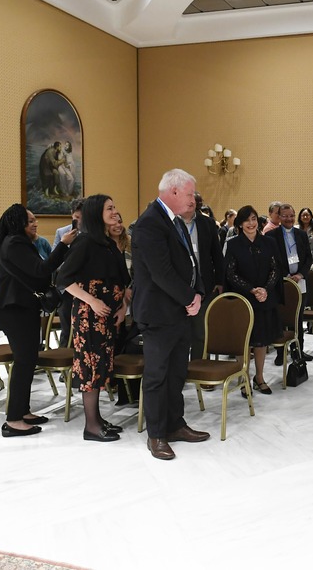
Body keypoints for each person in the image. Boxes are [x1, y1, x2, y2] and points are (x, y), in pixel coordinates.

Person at [131, 170, 212, 460]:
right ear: (175, 192)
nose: (193, 200)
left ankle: (175, 424)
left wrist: (198, 292)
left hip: (179, 311)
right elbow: (161, 273)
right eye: (190, 194)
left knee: (177, 373)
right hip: (158, 313)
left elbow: (191, 263)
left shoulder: (175, 221)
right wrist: (190, 297)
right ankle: (156, 435)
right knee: (157, 376)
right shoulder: (149, 223)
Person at [0, 204, 75, 437]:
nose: (35, 223)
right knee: (24, 361)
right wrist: (64, 245)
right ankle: (14, 420)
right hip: (13, 308)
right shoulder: (15, 242)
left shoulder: (16, 242)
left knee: (28, 359)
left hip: (19, 307)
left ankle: (22, 411)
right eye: (30, 220)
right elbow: (41, 269)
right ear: (18, 224)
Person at [57, 194, 131, 443]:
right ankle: (90, 426)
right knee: (90, 370)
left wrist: (122, 307)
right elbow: (63, 279)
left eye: (114, 207)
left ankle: (97, 419)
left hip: (108, 317)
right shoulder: (85, 242)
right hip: (89, 317)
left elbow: (121, 282)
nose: (114, 211)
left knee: (101, 369)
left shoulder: (108, 242)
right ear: (95, 212)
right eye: (109, 208)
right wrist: (92, 301)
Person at [224, 205, 281, 395]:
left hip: (264, 297)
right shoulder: (233, 244)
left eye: (254, 219)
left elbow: (275, 269)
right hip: (242, 299)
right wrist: (251, 289)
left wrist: (265, 289)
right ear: (240, 223)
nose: (251, 223)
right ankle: (243, 378)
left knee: (261, 340)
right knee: (243, 340)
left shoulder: (268, 242)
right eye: (247, 220)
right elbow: (230, 273)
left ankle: (259, 377)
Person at [179, 191, 224, 362]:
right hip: (179, 285)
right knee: (180, 333)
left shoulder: (208, 223)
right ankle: (181, 370)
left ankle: (199, 367)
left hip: (204, 284)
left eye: (196, 201)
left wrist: (220, 280)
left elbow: (217, 254)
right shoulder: (173, 222)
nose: (192, 203)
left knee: (201, 331)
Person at [267, 203, 313, 364]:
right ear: (279, 217)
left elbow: (308, 257)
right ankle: (281, 353)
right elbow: (271, 260)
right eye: (285, 216)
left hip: (300, 282)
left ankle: (298, 351)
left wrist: (300, 274)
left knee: (298, 318)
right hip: (282, 283)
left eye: (291, 216)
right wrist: (284, 276)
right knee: (281, 318)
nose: (289, 219)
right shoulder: (272, 236)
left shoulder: (301, 234)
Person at [54, 198, 85, 349]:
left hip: (85, 286)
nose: (78, 221)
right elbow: (55, 260)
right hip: (67, 287)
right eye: (76, 218)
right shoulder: (62, 232)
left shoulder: (92, 233)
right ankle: (64, 365)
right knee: (66, 327)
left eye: (81, 217)